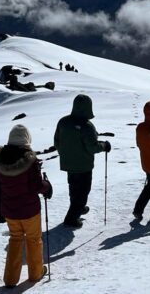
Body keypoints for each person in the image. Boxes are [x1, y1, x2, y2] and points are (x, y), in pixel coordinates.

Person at [0, 124, 53, 287]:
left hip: (10, 211)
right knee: (33, 240)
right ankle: (36, 273)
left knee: (16, 240)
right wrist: (47, 185)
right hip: (30, 210)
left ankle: (10, 279)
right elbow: (36, 186)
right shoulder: (29, 160)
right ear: (27, 139)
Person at [54, 94, 109, 228]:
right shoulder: (87, 126)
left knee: (73, 188)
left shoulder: (63, 122)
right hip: (83, 165)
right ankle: (72, 218)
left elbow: (57, 142)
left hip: (68, 164)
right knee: (83, 191)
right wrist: (104, 146)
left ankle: (78, 208)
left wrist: (65, 154)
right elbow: (92, 148)